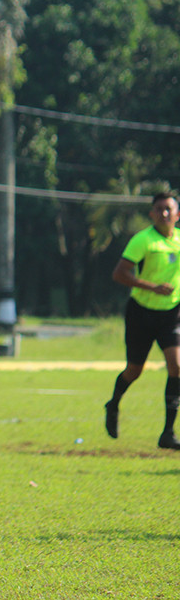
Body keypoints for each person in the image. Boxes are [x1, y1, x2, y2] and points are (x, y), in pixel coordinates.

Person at [104, 190, 180, 450]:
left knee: (176, 367)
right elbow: (119, 274)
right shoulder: (143, 240)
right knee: (134, 370)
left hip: (171, 314)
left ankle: (168, 433)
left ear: (177, 214)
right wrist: (152, 287)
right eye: (159, 209)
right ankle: (113, 404)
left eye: (169, 209)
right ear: (151, 213)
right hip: (141, 313)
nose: (164, 213)